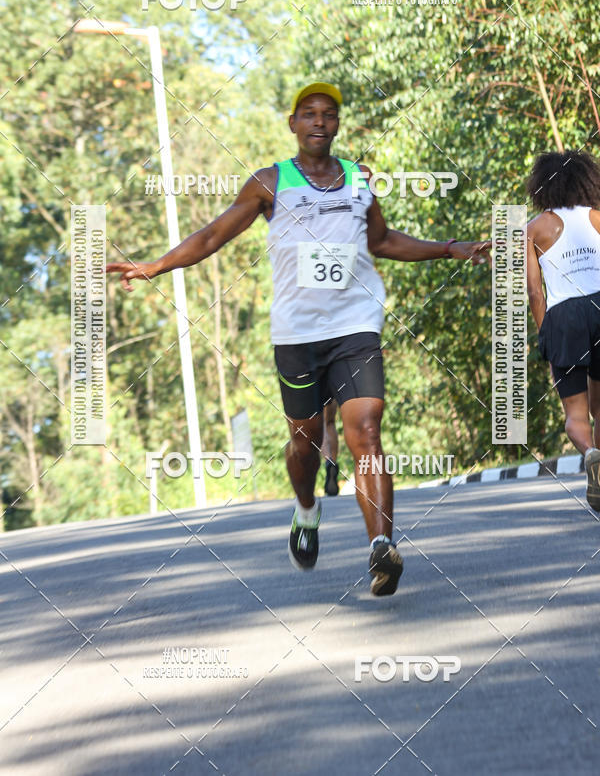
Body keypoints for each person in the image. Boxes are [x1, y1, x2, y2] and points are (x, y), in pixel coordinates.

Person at [107, 82, 491, 595]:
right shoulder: (271, 183)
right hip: (296, 333)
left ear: (337, 125)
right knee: (305, 441)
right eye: (308, 114)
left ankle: (382, 547)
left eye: (328, 115)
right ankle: (306, 510)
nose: (318, 122)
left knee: (367, 430)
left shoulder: (359, 181)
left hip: (355, 324)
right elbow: (212, 236)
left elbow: (381, 240)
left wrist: (447, 248)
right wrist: (155, 265)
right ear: (292, 124)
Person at [526, 150, 600, 511]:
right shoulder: (599, 217)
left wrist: (547, 334)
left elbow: (534, 291)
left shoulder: (536, 227)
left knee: (575, 414)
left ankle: (590, 454)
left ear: (541, 186)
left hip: (564, 316)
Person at [321, 400, 339, 496]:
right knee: (330, 422)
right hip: (334, 385)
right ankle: (332, 463)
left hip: (312, 384)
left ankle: (328, 460)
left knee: (320, 422)